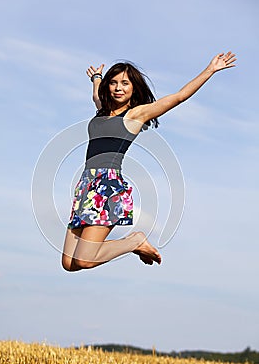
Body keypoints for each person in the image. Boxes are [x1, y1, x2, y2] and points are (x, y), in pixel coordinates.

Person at [61, 52, 236, 272]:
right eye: (113, 83)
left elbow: (179, 96)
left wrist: (210, 70)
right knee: (70, 263)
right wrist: (97, 77)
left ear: (134, 88)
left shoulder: (135, 115)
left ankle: (134, 241)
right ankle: (131, 243)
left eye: (125, 83)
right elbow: (97, 95)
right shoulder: (101, 111)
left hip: (106, 187)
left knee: (85, 260)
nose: (118, 88)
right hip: (86, 186)